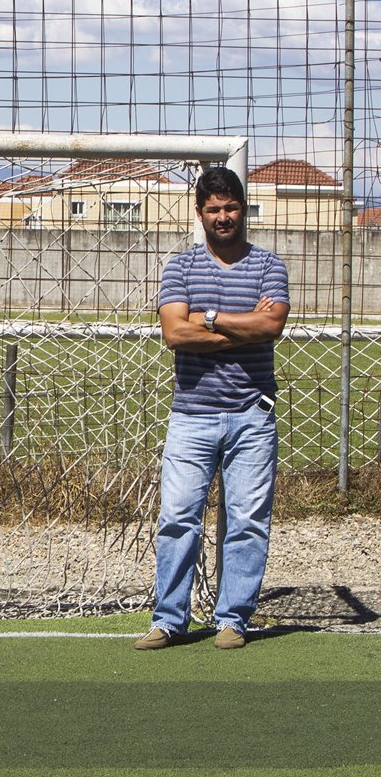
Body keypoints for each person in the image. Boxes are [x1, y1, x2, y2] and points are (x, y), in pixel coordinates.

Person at [135, 166, 289, 651]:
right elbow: (174, 335)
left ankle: (233, 620)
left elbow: (271, 328)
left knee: (246, 520)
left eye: (231, 207)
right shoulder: (180, 268)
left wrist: (210, 319)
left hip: (253, 414)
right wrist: (239, 326)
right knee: (178, 517)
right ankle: (169, 620)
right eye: (214, 209)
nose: (223, 216)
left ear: (242, 209)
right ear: (200, 213)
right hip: (191, 415)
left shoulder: (269, 266)